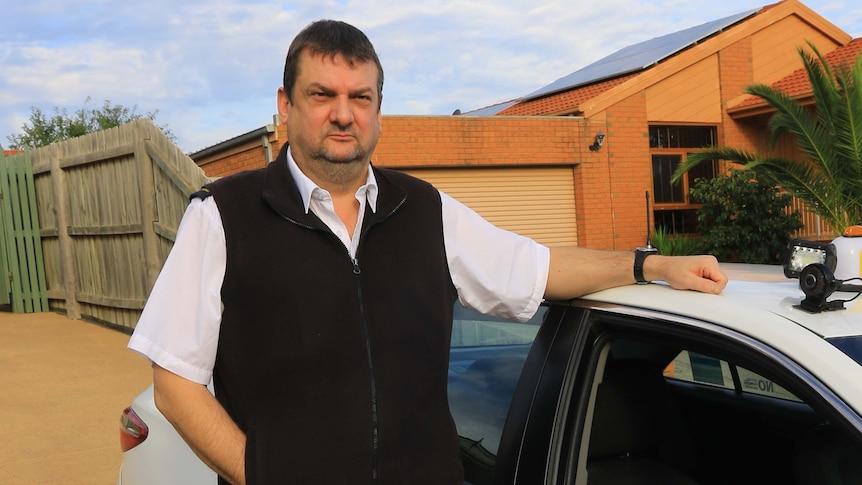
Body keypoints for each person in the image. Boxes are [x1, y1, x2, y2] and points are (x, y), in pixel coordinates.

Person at [128, 19, 727, 485]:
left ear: (378, 110)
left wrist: (648, 264)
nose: (344, 114)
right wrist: (261, 475)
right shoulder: (222, 216)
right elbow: (175, 380)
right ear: (285, 105)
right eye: (322, 94)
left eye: (361, 97)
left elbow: (539, 270)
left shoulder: (424, 210)